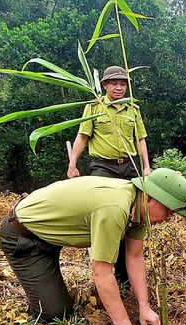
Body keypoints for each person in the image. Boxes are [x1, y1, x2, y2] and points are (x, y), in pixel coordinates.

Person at [0, 168, 186, 325]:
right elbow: (101, 272)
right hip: (25, 238)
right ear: (151, 197)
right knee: (56, 313)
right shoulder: (115, 208)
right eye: (169, 211)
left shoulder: (138, 207)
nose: (168, 219)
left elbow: (135, 256)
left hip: (53, 235)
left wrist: (144, 306)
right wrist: (122, 323)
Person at [68, 65, 152, 286]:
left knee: (130, 219)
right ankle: (105, 272)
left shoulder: (133, 110)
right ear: (104, 85)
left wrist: (146, 166)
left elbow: (140, 139)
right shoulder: (95, 107)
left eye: (123, 83)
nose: (119, 87)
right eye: (114, 83)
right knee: (106, 218)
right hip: (103, 168)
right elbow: (82, 137)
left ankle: (125, 277)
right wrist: (72, 164)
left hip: (129, 167)